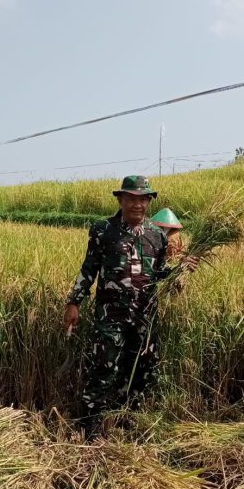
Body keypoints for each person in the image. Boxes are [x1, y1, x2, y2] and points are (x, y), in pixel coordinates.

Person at [63, 175, 198, 436]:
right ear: (120, 200)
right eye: (131, 199)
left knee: (143, 367)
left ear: (149, 202)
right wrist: (74, 302)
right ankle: (90, 423)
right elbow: (89, 268)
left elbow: (159, 273)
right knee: (104, 366)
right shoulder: (103, 230)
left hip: (145, 315)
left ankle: (128, 417)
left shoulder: (157, 235)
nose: (138, 204)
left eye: (143, 199)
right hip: (110, 314)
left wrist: (180, 269)